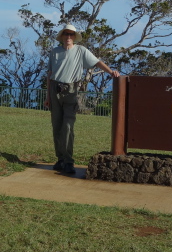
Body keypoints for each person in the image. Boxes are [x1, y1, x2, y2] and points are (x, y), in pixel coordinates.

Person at [44, 24, 121, 174]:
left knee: (68, 127)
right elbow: (49, 74)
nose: (68, 37)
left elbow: (97, 62)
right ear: (62, 36)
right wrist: (48, 96)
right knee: (56, 127)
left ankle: (68, 161)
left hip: (71, 90)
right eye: (66, 34)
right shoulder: (55, 52)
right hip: (55, 89)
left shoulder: (81, 51)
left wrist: (111, 72)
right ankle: (60, 159)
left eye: (71, 34)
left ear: (74, 37)